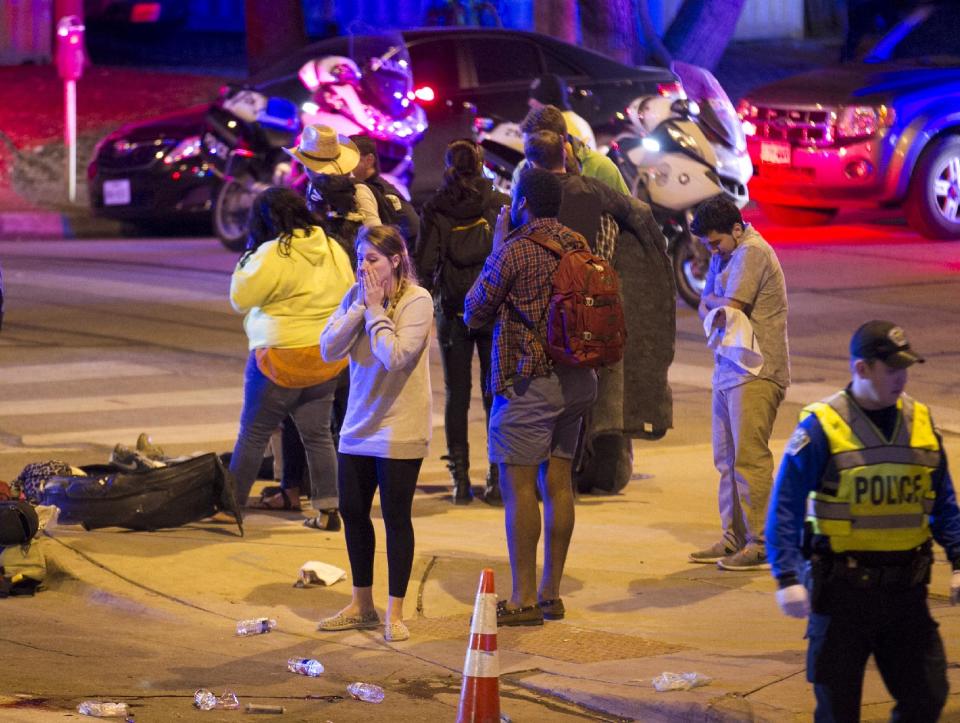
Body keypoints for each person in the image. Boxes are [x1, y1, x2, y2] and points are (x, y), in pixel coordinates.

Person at [766, 320, 960, 722]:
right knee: (839, 710)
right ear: (861, 369)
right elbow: (785, 505)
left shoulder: (920, 423)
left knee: (927, 696)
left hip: (906, 594)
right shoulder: (823, 428)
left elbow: (943, 502)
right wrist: (786, 576)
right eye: (891, 369)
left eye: (905, 368)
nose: (901, 378)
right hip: (842, 596)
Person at [464, 168, 598, 626]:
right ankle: (550, 594)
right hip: (578, 380)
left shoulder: (516, 251)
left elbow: (474, 309)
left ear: (521, 203)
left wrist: (499, 247)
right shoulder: (579, 244)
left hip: (529, 381)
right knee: (558, 483)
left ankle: (521, 599)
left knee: (519, 487)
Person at [523, 129, 676, 495]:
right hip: (592, 313)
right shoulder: (598, 196)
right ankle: (590, 471)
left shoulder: (532, 202)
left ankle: (562, 475)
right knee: (594, 396)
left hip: (549, 317)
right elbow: (606, 255)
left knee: (559, 402)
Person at [318, 225, 433, 643]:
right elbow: (328, 349)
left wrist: (375, 311)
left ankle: (395, 612)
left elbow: (395, 356)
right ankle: (361, 604)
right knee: (352, 511)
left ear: (396, 260)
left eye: (372, 259)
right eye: (360, 258)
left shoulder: (418, 301)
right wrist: (360, 308)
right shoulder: (356, 297)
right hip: (358, 424)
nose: (363, 267)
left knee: (396, 518)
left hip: (400, 426)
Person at [228, 187, 355, 531]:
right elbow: (348, 293)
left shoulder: (273, 252)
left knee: (253, 434)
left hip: (280, 357)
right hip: (324, 356)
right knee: (318, 435)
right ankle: (329, 510)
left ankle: (232, 506)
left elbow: (241, 297)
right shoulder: (332, 248)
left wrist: (248, 257)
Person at [689, 195, 790, 570]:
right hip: (729, 369)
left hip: (758, 372)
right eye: (708, 245)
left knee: (750, 459)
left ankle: (761, 543)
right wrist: (716, 302)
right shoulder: (724, 253)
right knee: (726, 461)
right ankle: (733, 538)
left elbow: (727, 308)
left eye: (715, 242)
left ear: (736, 227)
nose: (711, 251)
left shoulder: (752, 253)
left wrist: (716, 302)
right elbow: (705, 304)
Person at [415, 139, 511, 506]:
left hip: (453, 310)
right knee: (493, 394)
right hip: (491, 307)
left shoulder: (436, 207)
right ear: (482, 163)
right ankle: (496, 478)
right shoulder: (499, 203)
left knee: (457, 394)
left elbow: (424, 265)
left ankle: (459, 481)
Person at [513, 104, 629, 196]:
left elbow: (630, 216)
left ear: (561, 142)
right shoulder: (521, 170)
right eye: (527, 145)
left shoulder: (601, 167)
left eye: (535, 146)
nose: (529, 155)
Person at [286, 123, 381, 233]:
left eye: (307, 164)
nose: (305, 169)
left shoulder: (358, 191)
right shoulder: (312, 186)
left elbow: (376, 236)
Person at [349, 134, 420, 245]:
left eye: (351, 159)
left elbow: (413, 230)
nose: (344, 165)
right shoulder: (361, 188)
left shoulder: (384, 195)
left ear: (369, 160)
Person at [528, 73, 596, 150]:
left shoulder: (558, 126)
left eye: (536, 99)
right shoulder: (576, 121)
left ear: (549, 101)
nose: (530, 103)